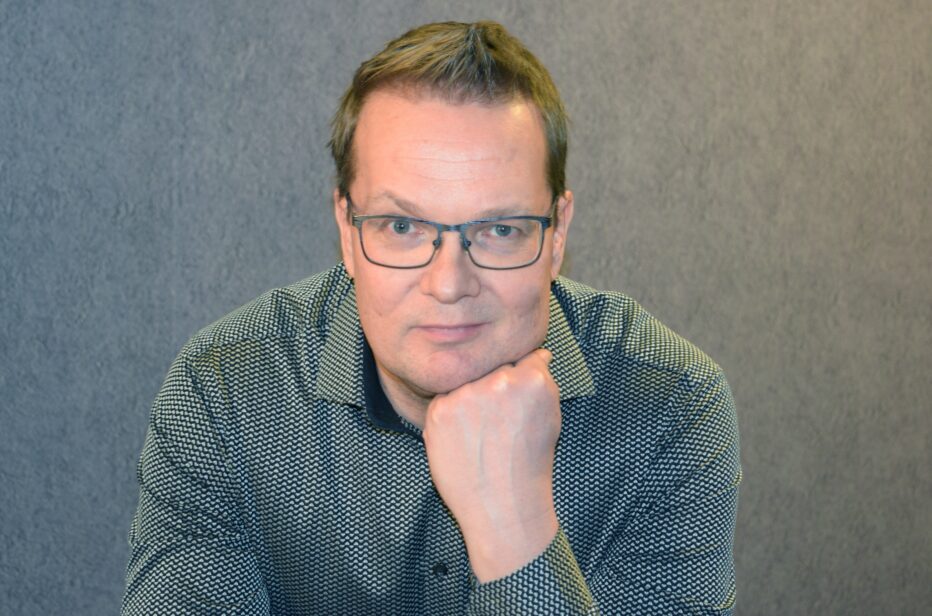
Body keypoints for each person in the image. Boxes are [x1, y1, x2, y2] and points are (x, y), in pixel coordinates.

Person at [122, 20, 741, 615]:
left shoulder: (672, 408)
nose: (448, 284)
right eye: (401, 226)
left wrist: (516, 526)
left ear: (557, 235)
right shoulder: (225, 393)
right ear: (346, 231)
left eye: (500, 230)